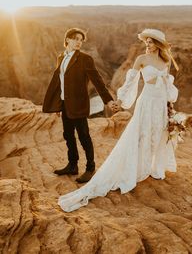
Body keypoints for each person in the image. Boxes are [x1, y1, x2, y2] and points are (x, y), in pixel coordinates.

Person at [58, 28, 179, 212]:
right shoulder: (141, 60)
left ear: (159, 44)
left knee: (157, 135)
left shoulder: (166, 61)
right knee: (142, 135)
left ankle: (154, 168)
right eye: (146, 41)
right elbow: (130, 81)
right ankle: (136, 169)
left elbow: (168, 86)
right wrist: (119, 101)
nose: (148, 44)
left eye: (152, 41)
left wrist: (170, 108)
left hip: (160, 104)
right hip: (146, 103)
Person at [43, 28, 115, 183]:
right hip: (65, 104)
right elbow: (59, 82)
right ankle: (72, 165)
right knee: (68, 136)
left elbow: (97, 80)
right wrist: (57, 104)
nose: (79, 42)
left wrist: (108, 100)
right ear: (67, 39)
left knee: (84, 137)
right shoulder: (61, 57)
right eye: (75, 38)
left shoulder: (85, 59)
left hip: (79, 105)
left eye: (81, 40)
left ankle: (90, 168)